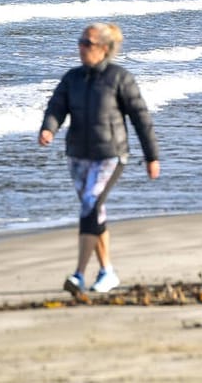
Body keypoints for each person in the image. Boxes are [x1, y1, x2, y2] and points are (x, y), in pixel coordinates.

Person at [39, 22, 160, 296]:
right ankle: (107, 272)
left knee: (91, 205)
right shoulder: (72, 78)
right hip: (77, 155)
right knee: (94, 210)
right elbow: (56, 106)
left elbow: (142, 119)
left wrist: (152, 156)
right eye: (80, 42)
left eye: (87, 43)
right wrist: (48, 128)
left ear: (103, 49)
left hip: (110, 155)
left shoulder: (120, 78)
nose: (81, 47)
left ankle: (79, 275)